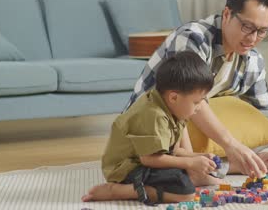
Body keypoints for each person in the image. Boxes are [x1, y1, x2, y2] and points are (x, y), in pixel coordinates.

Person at [125, 0, 268, 176]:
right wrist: (232, 145)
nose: (253, 38)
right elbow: (186, 99)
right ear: (227, 14)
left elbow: (265, 111)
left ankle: (219, 162)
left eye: (262, 31)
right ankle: (225, 165)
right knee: (181, 133)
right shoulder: (193, 38)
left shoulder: (253, 60)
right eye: (247, 27)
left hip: (193, 120)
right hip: (156, 122)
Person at [82, 51, 224, 204]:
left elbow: (174, 151)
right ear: (174, 97)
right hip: (127, 168)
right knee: (185, 193)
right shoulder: (154, 115)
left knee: (185, 177)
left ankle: (142, 186)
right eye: (196, 102)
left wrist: (197, 157)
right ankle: (118, 190)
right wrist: (190, 163)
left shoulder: (174, 109)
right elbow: (149, 158)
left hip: (147, 161)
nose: (199, 108)